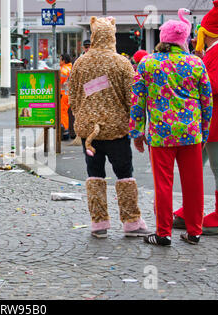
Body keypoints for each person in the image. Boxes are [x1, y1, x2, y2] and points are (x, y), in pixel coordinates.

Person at [129, 18, 213, 246]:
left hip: (160, 133)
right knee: (194, 183)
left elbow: (137, 100)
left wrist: (136, 132)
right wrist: (204, 132)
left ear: (162, 39)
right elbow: (207, 101)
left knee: (163, 184)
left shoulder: (147, 64)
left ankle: (163, 232)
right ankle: (195, 231)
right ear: (183, 40)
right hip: (190, 132)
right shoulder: (196, 64)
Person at [68, 16, 150, 239]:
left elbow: (73, 96)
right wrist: (135, 127)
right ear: (111, 36)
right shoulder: (121, 63)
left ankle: (99, 222)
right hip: (116, 130)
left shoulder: (81, 63)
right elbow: (132, 98)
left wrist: (82, 116)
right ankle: (132, 221)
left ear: (94, 36)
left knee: (94, 175)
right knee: (124, 174)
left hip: (89, 134)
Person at [173, 0, 218, 235]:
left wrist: (191, 80)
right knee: (196, 165)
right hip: (209, 119)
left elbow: (215, 85)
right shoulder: (216, 51)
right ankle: (192, 209)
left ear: (205, 31)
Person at [59, 53, 73, 141]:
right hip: (70, 94)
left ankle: (65, 131)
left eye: (60, 59)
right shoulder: (71, 67)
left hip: (64, 94)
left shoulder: (63, 70)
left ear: (63, 60)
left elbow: (59, 81)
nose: (59, 61)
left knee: (63, 112)